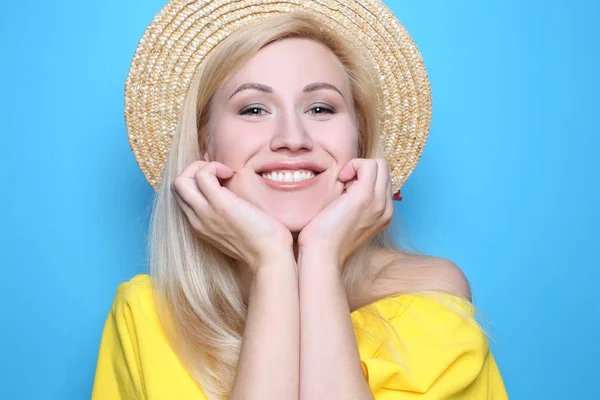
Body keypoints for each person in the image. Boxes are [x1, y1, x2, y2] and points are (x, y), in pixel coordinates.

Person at [92, 1, 508, 399]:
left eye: (321, 108)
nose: (292, 138)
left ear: (359, 141)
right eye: (254, 109)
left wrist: (321, 256)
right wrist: (271, 263)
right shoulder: (146, 317)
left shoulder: (428, 296)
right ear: (205, 146)